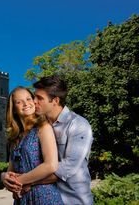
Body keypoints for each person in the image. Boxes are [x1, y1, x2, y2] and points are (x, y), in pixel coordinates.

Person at [32, 75, 94, 204]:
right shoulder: (38, 127)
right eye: (34, 97)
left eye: (39, 98)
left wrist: (27, 180)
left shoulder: (78, 124)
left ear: (55, 100)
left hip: (73, 201)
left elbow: (67, 168)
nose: (34, 101)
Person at [1, 86, 63, 204]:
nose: (26, 104)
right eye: (19, 102)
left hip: (44, 196)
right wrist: (4, 176)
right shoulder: (15, 138)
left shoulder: (43, 127)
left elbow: (50, 165)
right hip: (22, 199)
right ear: (13, 109)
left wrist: (20, 181)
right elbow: (11, 169)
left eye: (29, 99)